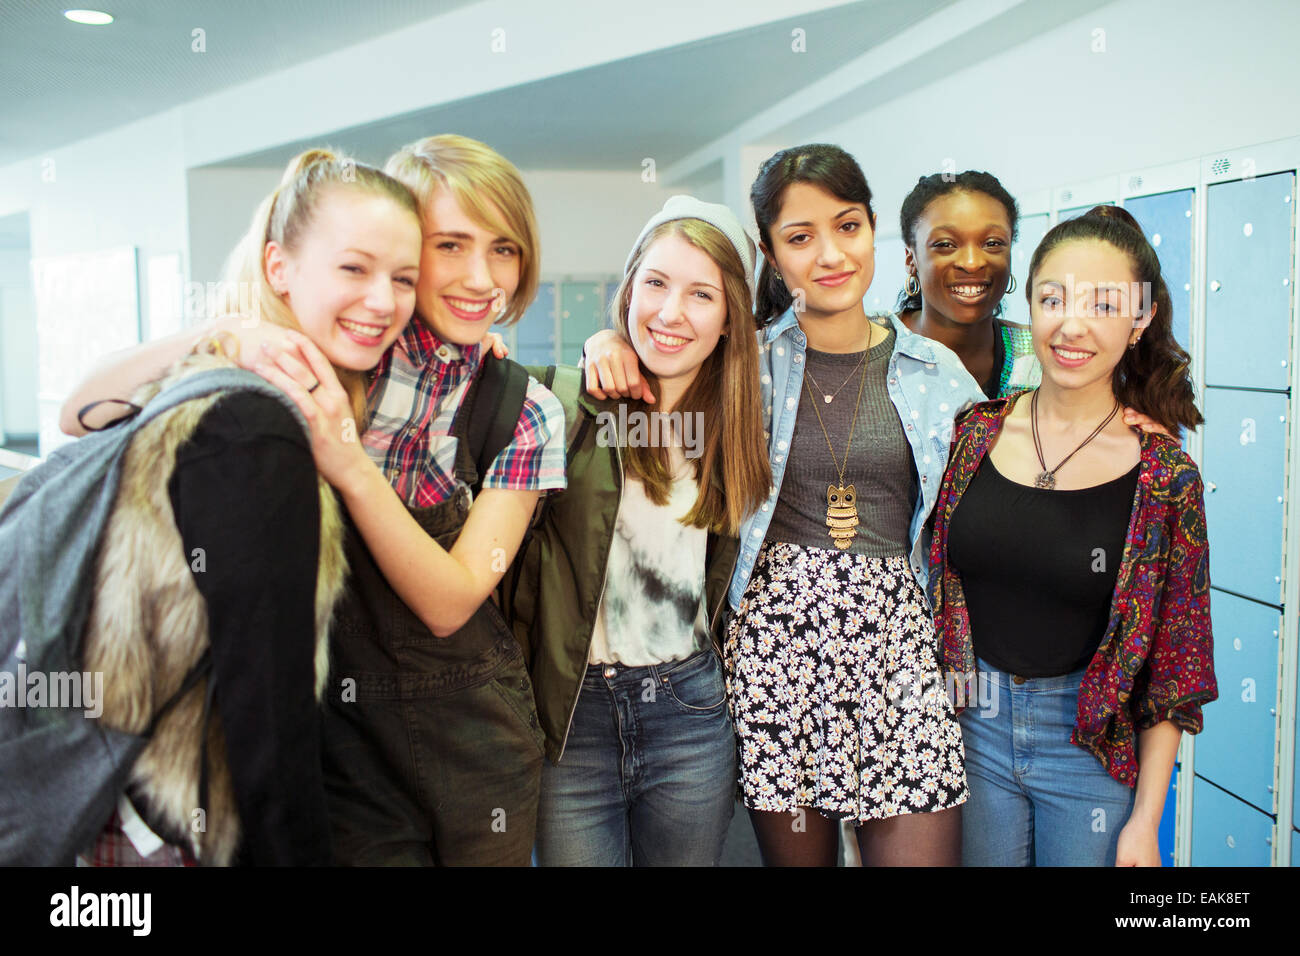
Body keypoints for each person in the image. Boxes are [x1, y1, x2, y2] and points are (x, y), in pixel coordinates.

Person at [587, 146, 981, 865]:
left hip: (898, 650)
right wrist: (604, 339)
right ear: (770, 254)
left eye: (849, 226)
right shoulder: (745, 366)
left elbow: (1008, 473)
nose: (831, 254)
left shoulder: (937, 372)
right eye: (800, 238)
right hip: (774, 652)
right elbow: (659, 350)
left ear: (873, 231)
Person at [71, 148, 424, 865]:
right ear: (278, 269)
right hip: (173, 815)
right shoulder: (255, 428)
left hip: (112, 784)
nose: (384, 301)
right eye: (354, 269)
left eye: (404, 278)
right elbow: (267, 713)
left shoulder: (231, 386)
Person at [254, 134, 565, 865]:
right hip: (342, 740)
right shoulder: (325, 360)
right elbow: (84, 413)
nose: (482, 277)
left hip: (478, 739)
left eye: (504, 249)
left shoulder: (524, 409)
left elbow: (452, 599)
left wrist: (351, 468)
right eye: (449, 245)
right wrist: (231, 333)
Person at [927, 205, 1217, 866]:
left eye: (1103, 303)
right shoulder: (974, 432)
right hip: (972, 725)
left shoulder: (1165, 477)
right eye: (1053, 297)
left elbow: (1178, 660)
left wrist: (1147, 820)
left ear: (1140, 319)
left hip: (1087, 745)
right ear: (1030, 305)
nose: (1072, 323)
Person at [501, 197, 771, 865]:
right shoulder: (561, 404)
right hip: (572, 718)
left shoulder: (735, 429)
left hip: (690, 714)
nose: (671, 312)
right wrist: (601, 341)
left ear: (731, 319)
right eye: (655, 283)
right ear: (628, 292)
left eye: (701, 294)